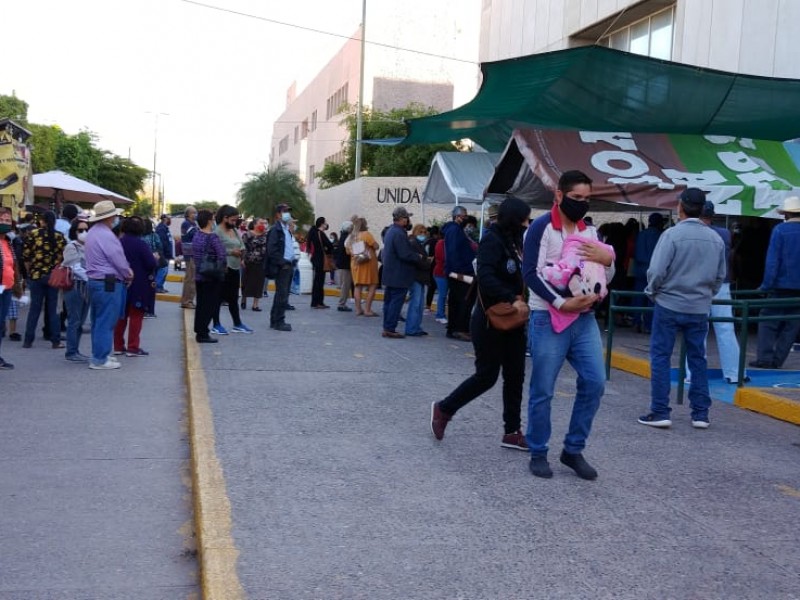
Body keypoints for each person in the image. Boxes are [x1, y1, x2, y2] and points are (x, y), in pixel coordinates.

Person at [523, 170, 614, 480]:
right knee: (543, 389)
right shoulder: (542, 227)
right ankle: (538, 450)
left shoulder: (590, 232)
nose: (582, 204)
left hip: (584, 318)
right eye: (576, 198)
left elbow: (600, 277)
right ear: (559, 196)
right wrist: (561, 303)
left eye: (587, 199)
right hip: (547, 317)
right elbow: (530, 274)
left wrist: (607, 260)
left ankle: (573, 449)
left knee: (595, 381)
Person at [431, 197, 531, 450]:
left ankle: (512, 431)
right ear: (512, 218)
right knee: (487, 376)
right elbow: (485, 278)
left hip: (514, 319)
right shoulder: (492, 240)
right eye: (524, 219)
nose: (527, 223)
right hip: (490, 319)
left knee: (515, 375)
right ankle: (444, 409)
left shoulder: (514, 241)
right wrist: (511, 297)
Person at [639, 188, 725, 430]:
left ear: (681, 207)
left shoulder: (671, 235)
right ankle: (700, 414)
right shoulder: (715, 239)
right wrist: (706, 295)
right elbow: (720, 276)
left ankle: (660, 411)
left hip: (668, 302)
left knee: (661, 356)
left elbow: (656, 271)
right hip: (699, 306)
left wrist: (652, 292)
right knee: (698, 358)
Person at [685, 202, 748, 384]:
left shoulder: (693, 233)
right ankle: (735, 373)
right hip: (722, 284)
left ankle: (694, 374)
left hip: (698, 285)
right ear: (712, 215)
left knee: (698, 329)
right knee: (726, 328)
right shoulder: (725, 233)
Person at [751, 195, 800, 369]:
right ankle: (778, 360)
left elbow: (772, 262)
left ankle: (765, 358)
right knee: (792, 326)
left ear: (785, 214)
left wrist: (766, 285)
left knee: (768, 321)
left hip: (780, 286)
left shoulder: (780, 230)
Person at [84, 200, 132, 370]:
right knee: (106, 320)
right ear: (111, 216)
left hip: (96, 280)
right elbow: (117, 259)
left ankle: (100, 354)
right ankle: (100, 358)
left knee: (98, 320)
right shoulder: (106, 235)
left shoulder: (93, 233)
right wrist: (128, 273)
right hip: (108, 280)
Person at [113, 217, 158, 357]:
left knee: (121, 316)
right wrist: (155, 258)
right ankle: (133, 347)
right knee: (136, 316)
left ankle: (118, 346)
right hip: (139, 284)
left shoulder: (118, 243)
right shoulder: (141, 244)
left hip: (120, 282)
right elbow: (151, 263)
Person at [22, 211, 66, 349]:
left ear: (42, 221)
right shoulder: (59, 237)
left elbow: (26, 256)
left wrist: (30, 271)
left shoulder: (33, 234)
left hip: (36, 276)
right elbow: (64, 257)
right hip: (53, 276)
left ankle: (28, 340)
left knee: (34, 309)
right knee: (53, 310)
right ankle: (55, 340)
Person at [380, 207, 425, 338]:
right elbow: (404, 254)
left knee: (389, 302)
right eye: (406, 217)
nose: (408, 220)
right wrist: (418, 257)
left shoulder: (390, 231)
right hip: (399, 274)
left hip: (390, 273)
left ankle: (387, 327)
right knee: (395, 302)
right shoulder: (399, 233)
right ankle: (390, 328)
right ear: (401, 219)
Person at [211, 205, 253, 335]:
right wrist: (230, 251)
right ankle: (216, 324)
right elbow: (215, 249)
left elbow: (241, 243)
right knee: (218, 298)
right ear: (225, 218)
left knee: (234, 298)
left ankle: (237, 323)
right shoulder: (217, 231)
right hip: (224, 268)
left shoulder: (234, 230)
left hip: (235, 267)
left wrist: (241, 251)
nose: (235, 222)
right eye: (233, 220)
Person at [443, 205, 477, 341]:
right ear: (457, 217)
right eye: (464, 216)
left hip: (458, 272)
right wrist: (460, 271)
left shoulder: (455, 230)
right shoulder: (455, 231)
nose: (466, 219)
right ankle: (460, 329)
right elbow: (454, 253)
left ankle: (454, 328)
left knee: (457, 301)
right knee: (463, 301)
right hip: (461, 273)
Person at [193, 209, 225, 343]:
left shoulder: (196, 236)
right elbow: (222, 255)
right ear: (208, 221)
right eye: (212, 219)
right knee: (209, 305)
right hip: (211, 277)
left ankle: (199, 330)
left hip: (199, 275)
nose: (214, 222)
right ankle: (203, 333)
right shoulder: (213, 237)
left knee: (200, 304)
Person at [62, 218, 91, 362]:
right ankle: (71, 351)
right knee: (74, 320)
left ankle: (75, 350)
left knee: (80, 322)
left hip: (86, 288)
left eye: (86, 229)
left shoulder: (89, 247)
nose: (84, 232)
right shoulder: (71, 247)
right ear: (74, 232)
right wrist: (92, 277)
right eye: (80, 230)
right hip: (74, 287)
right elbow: (75, 268)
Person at [632, 213, 664, 333]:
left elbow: (637, 253)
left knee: (638, 297)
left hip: (640, 270)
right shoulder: (661, 236)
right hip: (654, 271)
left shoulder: (641, 234)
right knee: (651, 298)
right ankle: (648, 325)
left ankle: (636, 321)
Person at [265, 203, 295, 332]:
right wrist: (282, 263)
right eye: (285, 211)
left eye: (288, 211)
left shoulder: (285, 229)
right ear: (278, 214)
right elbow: (272, 250)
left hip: (288, 264)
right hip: (283, 266)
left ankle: (275, 320)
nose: (287, 213)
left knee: (283, 294)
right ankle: (278, 321)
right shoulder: (275, 230)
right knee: (282, 294)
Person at [0, 207, 23, 369]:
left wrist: (17, 283)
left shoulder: (8, 241)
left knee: (1, 324)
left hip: (6, 288)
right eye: (2, 219)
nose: (5, 223)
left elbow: (13, 265)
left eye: (8, 220)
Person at [346, 217, 380, 317]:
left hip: (356, 263)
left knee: (358, 286)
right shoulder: (366, 234)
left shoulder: (351, 237)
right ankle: (367, 310)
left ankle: (358, 309)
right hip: (368, 263)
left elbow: (348, 251)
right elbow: (376, 246)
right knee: (372, 285)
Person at [405, 224, 432, 336]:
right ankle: (411, 328)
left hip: (419, 277)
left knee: (419, 304)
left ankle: (416, 327)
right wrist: (427, 262)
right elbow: (418, 261)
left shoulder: (419, 244)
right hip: (416, 277)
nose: (423, 234)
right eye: (420, 232)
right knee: (415, 304)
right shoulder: (414, 244)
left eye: (424, 232)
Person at [241, 217, 268, 312]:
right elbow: (243, 247)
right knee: (246, 281)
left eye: (264, 223)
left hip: (261, 262)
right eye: (261, 223)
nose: (263, 225)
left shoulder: (266, 235)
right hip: (248, 262)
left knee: (259, 283)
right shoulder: (247, 234)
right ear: (255, 224)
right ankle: (243, 299)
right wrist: (242, 259)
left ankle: (255, 305)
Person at [306, 216, 334, 308]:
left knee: (317, 281)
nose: (326, 224)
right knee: (319, 282)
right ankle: (318, 302)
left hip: (315, 259)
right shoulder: (320, 233)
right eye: (325, 222)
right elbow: (329, 245)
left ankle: (317, 302)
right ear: (322, 223)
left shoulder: (314, 233)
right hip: (321, 260)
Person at [180, 205, 198, 309]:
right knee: (190, 279)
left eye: (195, 212)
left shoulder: (193, 224)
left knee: (191, 278)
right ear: (187, 214)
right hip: (190, 254)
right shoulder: (186, 224)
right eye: (193, 212)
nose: (195, 214)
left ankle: (187, 300)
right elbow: (194, 235)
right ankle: (187, 301)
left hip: (193, 254)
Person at [335, 220, 354, 312]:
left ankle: (342, 303)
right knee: (345, 286)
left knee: (344, 285)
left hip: (342, 264)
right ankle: (342, 304)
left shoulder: (342, 236)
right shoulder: (347, 237)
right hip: (345, 265)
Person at [154, 214, 174, 293]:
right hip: (163, 253)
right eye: (169, 218)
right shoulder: (161, 229)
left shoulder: (164, 228)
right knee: (163, 270)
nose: (170, 220)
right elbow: (163, 242)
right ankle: (158, 287)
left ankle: (160, 286)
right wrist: (166, 253)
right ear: (165, 219)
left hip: (165, 253)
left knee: (164, 271)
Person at [432, 233, 448, 324]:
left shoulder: (448, 243)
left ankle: (441, 314)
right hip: (440, 273)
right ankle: (440, 315)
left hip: (445, 273)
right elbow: (441, 257)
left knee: (444, 295)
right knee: (442, 295)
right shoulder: (441, 243)